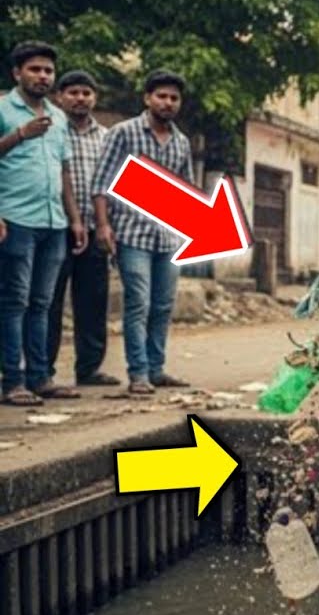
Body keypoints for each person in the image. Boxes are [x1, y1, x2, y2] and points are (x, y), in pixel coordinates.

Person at [90, 69, 195, 396]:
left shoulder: (181, 142)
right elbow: (101, 182)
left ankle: (156, 368)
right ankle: (137, 374)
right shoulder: (124, 133)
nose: (167, 103)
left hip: (168, 238)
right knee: (139, 302)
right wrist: (103, 225)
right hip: (132, 234)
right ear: (147, 98)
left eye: (174, 98)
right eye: (161, 96)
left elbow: (185, 190)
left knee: (163, 305)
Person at [0, 41, 87, 407]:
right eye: (35, 69)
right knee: (13, 302)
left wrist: (76, 219)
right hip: (15, 219)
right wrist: (20, 134)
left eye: (48, 71)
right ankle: (13, 381)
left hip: (53, 222)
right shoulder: (4, 108)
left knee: (43, 303)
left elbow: (64, 170)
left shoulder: (58, 116)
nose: (43, 76)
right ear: (17, 73)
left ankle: (41, 377)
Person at [47, 70, 119, 388]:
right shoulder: (51, 131)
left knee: (93, 301)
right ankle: (42, 370)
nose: (80, 98)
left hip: (94, 228)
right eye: (73, 92)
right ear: (60, 97)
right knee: (48, 300)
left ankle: (88, 369)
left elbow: (114, 184)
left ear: (95, 98)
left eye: (86, 93)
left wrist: (109, 225)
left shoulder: (106, 137)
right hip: (55, 227)